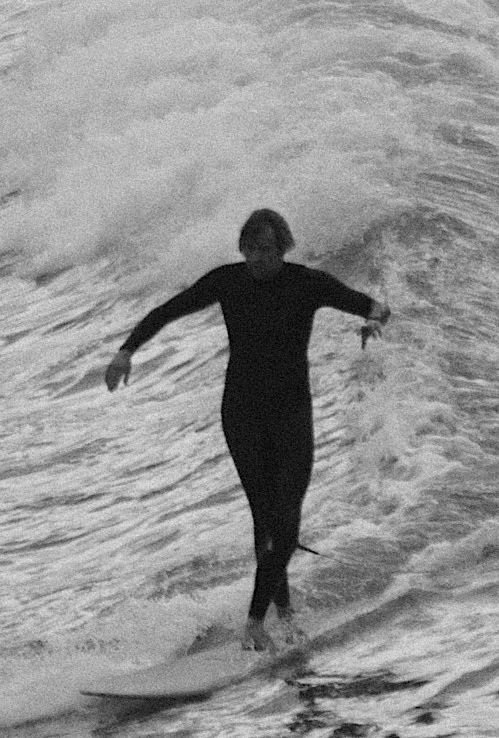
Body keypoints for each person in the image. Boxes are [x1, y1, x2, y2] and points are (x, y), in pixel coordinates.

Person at [104, 205, 388, 625]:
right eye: (249, 249)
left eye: (266, 250)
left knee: (287, 524)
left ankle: (255, 622)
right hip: (242, 412)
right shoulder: (228, 281)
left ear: (283, 248)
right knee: (265, 515)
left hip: (291, 411)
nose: (256, 259)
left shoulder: (308, 284)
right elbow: (168, 311)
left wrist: (373, 322)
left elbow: (376, 307)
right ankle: (282, 613)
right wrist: (126, 351)